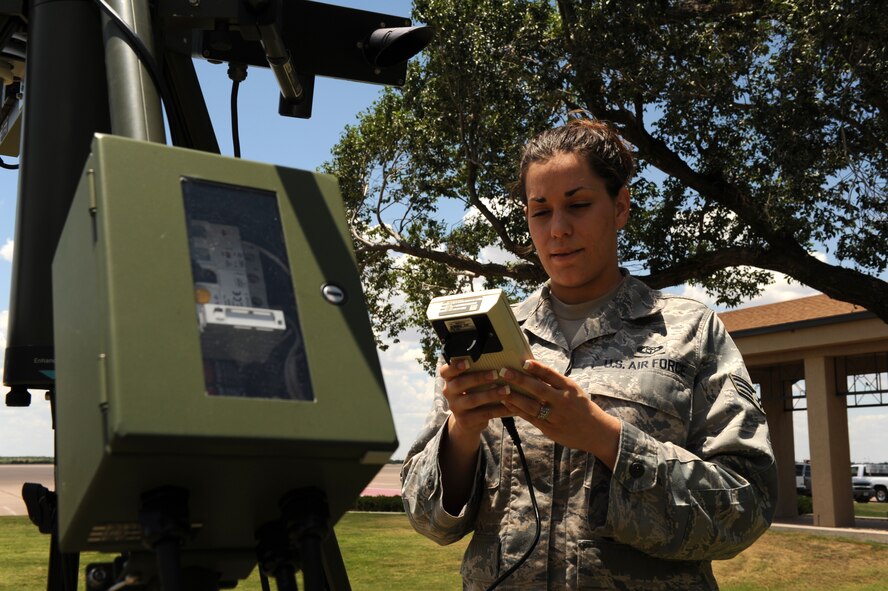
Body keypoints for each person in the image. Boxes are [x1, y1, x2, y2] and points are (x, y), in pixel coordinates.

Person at [400, 119, 778, 590]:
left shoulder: (689, 330)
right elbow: (427, 518)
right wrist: (463, 430)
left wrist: (606, 439)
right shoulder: (494, 338)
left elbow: (748, 507)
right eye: (540, 212)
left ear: (619, 207)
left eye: (578, 205)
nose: (558, 229)